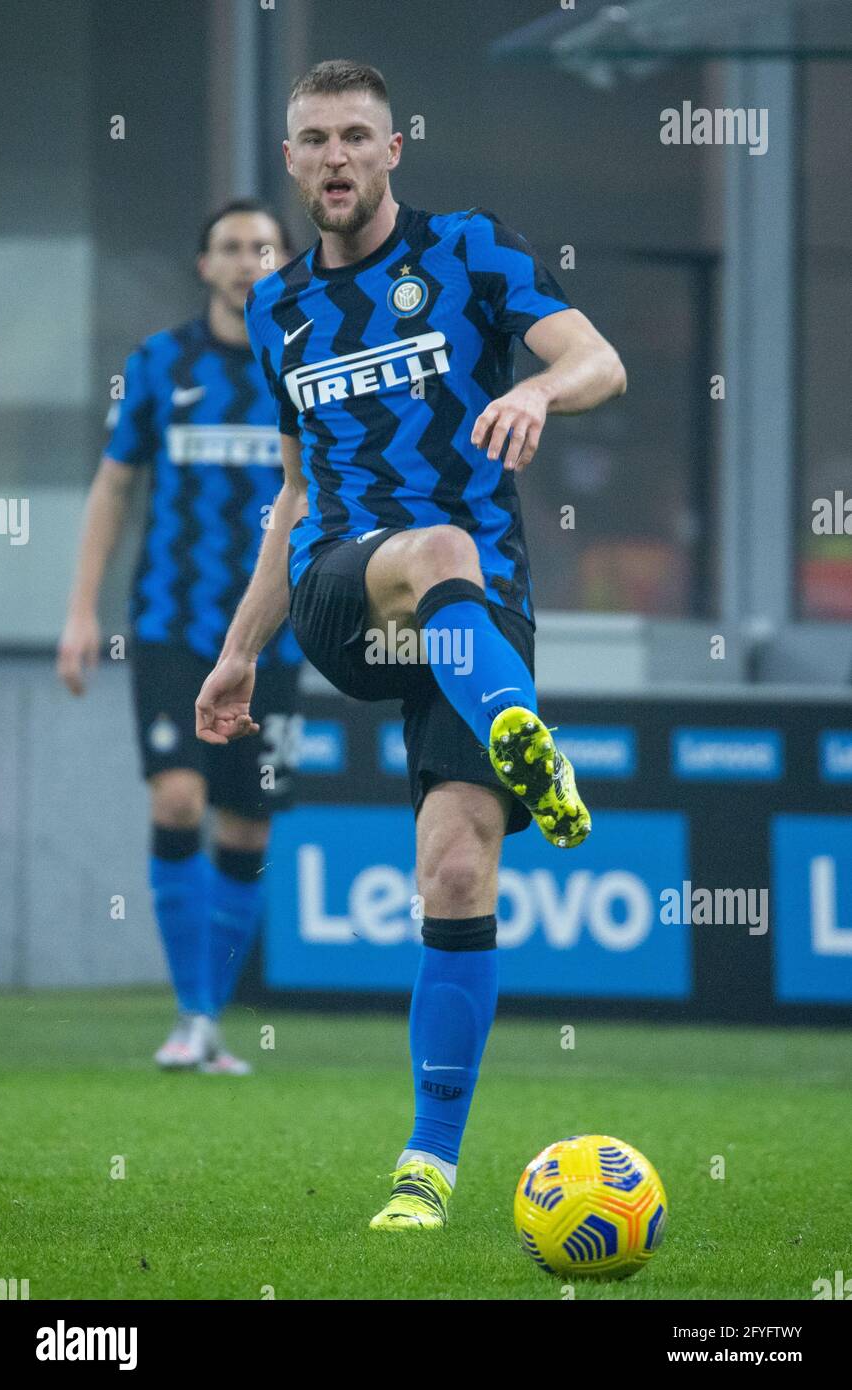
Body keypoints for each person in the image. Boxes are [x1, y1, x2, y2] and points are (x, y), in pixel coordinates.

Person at [195, 61, 626, 1219]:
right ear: (291, 162)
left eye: (355, 136)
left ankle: (425, 1167)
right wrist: (239, 647)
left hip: (473, 617)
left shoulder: (469, 249)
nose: (335, 157)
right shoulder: (279, 310)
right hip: (347, 587)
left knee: (452, 867)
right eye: (314, 140)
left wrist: (539, 393)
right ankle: (520, 729)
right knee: (437, 545)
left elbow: (598, 358)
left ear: (393, 150)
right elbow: (292, 496)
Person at [58, 200, 303, 1075]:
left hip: (274, 631)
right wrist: (83, 610)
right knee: (176, 801)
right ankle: (192, 1016)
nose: (246, 262)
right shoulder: (161, 362)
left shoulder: (307, 361)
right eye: (230, 248)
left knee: (247, 831)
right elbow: (113, 485)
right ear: (204, 265)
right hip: (171, 625)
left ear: (282, 261)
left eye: (262, 248)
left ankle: (210, 1021)